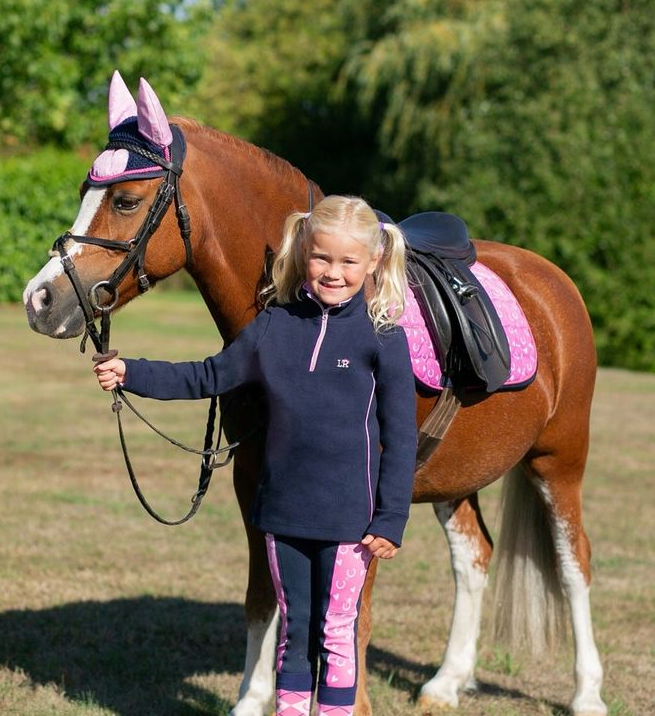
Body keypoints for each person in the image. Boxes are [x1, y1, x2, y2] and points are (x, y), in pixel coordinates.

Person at [94, 195, 418, 716]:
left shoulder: (384, 339)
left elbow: (401, 438)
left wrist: (391, 517)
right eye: (321, 258)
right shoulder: (273, 326)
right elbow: (208, 376)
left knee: (336, 630)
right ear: (304, 251)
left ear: (374, 261)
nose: (333, 273)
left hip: (350, 522)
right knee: (295, 629)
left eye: (348, 261)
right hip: (282, 514)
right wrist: (131, 372)